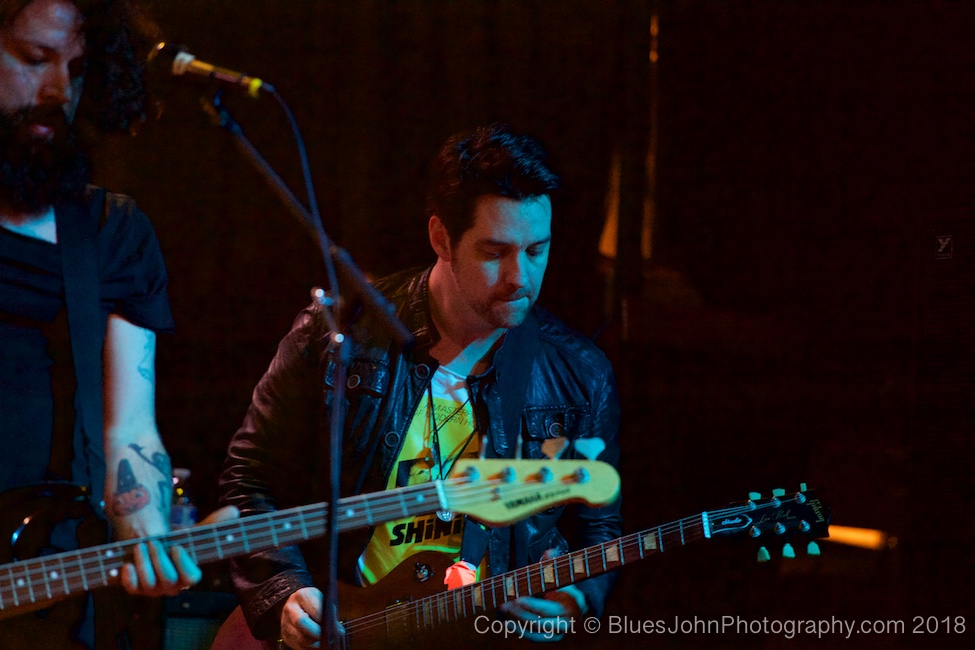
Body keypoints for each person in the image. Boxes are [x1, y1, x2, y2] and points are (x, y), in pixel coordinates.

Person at [219, 123, 623, 649]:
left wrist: (578, 599)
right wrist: (287, 590)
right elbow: (249, 479)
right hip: (347, 629)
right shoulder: (338, 337)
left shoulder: (579, 373)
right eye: (494, 251)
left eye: (536, 250)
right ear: (441, 238)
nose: (519, 276)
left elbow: (600, 528)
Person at [0, 0, 222, 646]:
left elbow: (130, 424)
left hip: (58, 591)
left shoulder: (109, 233)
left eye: (74, 69)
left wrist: (145, 524)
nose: (55, 91)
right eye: (34, 60)